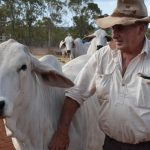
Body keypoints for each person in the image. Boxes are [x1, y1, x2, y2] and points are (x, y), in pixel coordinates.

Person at [49, 0, 150, 149]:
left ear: (141, 29)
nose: (114, 35)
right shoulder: (103, 57)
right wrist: (62, 131)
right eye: (113, 28)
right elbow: (75, 93)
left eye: (121, 27)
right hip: (110, 144)